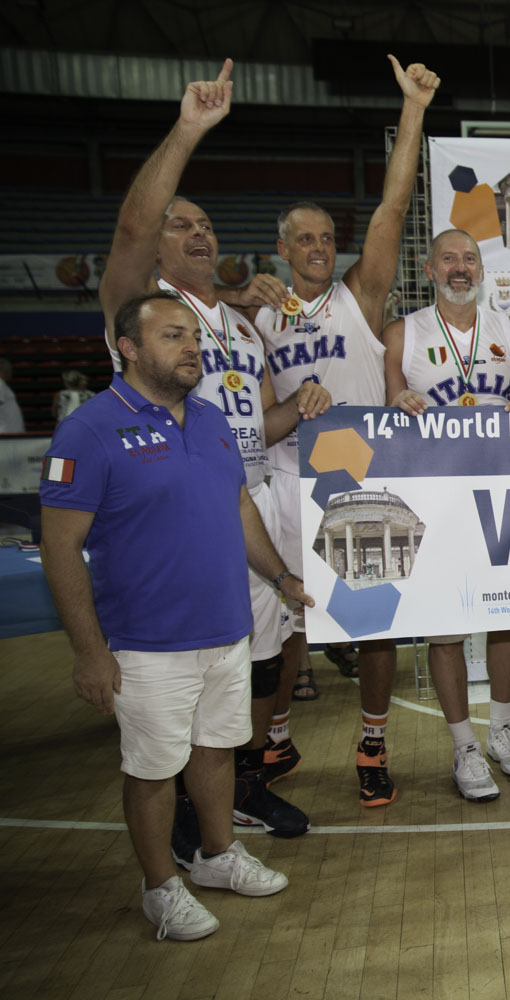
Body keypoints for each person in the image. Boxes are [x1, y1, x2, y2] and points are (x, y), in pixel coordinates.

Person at [95, 60, 327, 835]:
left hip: (249, 493)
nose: (198, 233)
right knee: (188, 672)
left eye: (205, 225)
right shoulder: (143, 309)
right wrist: (190, 129)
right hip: (182, 506)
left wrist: (297, 406)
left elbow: (258, 426)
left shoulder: (236, 324)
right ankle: (191, 815)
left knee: (259, 661)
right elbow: (131, 230)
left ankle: (244, 783)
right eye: (180, 224)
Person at [40, 292, 313, 940]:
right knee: (154, 768)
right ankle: (160, 886)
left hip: (225, 629)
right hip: (146, 641)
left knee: (218, 751)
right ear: (128, 348)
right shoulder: (89, 429)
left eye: (194, 336)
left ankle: (218, 856)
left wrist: (278, 576)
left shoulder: (213, 419)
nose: (191, 347)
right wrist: (89, 651)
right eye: (172, 335)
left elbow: (241, 507)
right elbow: (59, 546)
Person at [240, 55, 439, 807]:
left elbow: (391, 207)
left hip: (362, 475)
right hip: (289, 478)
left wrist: (412, 108)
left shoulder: (360, 295)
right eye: (306, 239)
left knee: (371, 621)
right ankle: (279, 737)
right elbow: (254, 419)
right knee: (292, 615)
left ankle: (373, 743)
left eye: (328, 236)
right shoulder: (256, 318)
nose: (321, 245)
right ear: (282, 250)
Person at [383, 228, 510, 800]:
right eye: (449, 258)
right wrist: (396, 401)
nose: (461, 267)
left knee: (505, 617)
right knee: (446, 631)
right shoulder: (403, 332)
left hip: (500, 495)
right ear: (428, 269)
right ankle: (464, 744)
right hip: (435, 499)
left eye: (470, 257)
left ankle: (501, 729)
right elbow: (390, 410)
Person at [0, 358, 22, 432]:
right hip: (6, 431)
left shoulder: (2, 384)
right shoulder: (0, 383)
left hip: (11, 430)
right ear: (5, 370)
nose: (11, 373)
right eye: (10, 370)